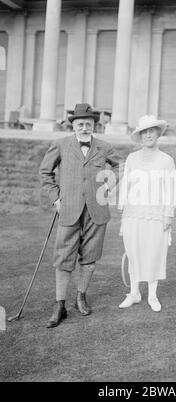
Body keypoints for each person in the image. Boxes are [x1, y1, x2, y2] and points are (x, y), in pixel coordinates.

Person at [39, 103, 122, 328]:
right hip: (68, 209)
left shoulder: (104, 147)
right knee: (64, 256)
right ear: (73, 125)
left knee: (90, 255)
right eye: (80, 124)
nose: (84, 128)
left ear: (94, 125)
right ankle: (59, 305)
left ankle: (81, 296)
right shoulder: (60, 145)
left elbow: (120, 166)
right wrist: (55, 198)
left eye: (88, 124)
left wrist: (108, 184)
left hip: (97, 209)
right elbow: (45, 173)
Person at [118, 115, 176, 312]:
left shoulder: (166, 160)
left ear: (158, 133)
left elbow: (171, 189)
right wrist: (123, 214)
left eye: (152, 130)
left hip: (156, 214)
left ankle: (152, 295)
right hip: (133, 214)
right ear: (140, 136)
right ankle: (134, 293)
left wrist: (168, 214)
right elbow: (126, 186)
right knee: (134, 252)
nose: (148, 134)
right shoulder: (132, 158)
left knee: (153, 252)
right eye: (144, 131)